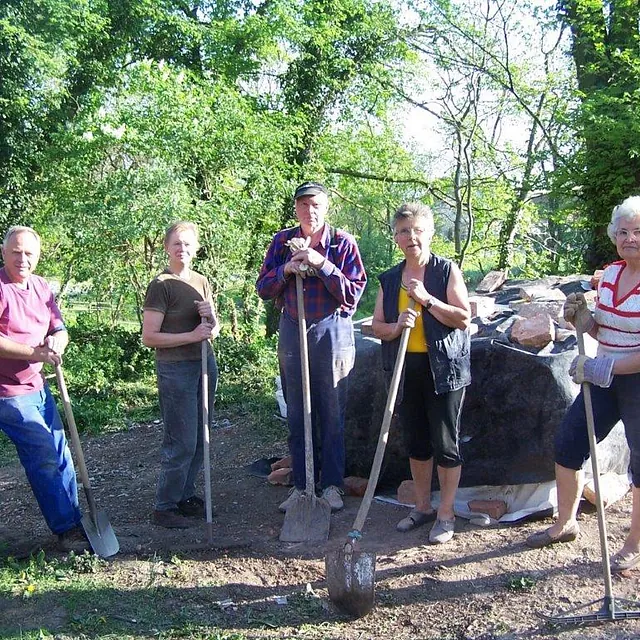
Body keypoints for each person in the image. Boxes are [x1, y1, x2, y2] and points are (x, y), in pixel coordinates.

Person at [526, 195, 640, 572]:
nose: (630, 238)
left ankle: (633, 543)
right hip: (603, 375)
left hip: (633, 380)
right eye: (623, 232)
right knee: (569, 443)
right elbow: (598, 327)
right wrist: (581, 317)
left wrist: (602, 369)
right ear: (614, 236)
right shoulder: (609, 275)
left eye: (638, 231)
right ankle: (566, 523)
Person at [256, 181, 367, 513]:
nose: (310, 211)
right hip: (293, 326)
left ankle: (331, 485)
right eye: (304, 205)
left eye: (316, 205)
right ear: (296, 209)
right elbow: (263, 288)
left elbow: (352, 294)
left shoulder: (343, 244)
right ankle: (302, 485)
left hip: (332, 329)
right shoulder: (282, 242)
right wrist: (285, 269)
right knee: (297, 409)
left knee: (331, 410)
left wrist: (321, 264)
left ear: (326, 206)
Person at [372, 203, 471, 544]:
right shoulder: (389, 278)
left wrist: (427, 300)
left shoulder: (445, 271)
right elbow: (377, 327)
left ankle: (446, 513)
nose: (410, 236)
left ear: (429, 233)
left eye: (417, 230)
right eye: (403, 231)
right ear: (395, 237)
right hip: (405, 368)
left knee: (445, 441)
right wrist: (397, 325)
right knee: (416, 441)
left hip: (443, 368)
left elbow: (462, 317)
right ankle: (422, 506)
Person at [0, 226, 88, 552]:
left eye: (29, 253)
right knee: (44, 456)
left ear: (37, 256)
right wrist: (36, 353)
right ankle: (66, 529)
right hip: (8, 392)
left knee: (62, 452)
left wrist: (57, 342)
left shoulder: (40, 287)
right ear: (4, 251)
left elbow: (59, 327)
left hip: (38, 385)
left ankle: (76, 520)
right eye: (16, 252)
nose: (22, 259)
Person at [142, 221, 219, 529]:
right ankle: (165, 505)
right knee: (182, 440)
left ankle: (185, 495)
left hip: (204, 364)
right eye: (176, 243)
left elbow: (213, 327)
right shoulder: (161, 284)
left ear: (196, 248)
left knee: (202, 436)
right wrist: (192, 335)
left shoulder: (201, 281)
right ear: (166, 247)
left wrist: (211, 322)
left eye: (188, 244)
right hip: (176, 369)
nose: (182, 249)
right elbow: (150, 337)